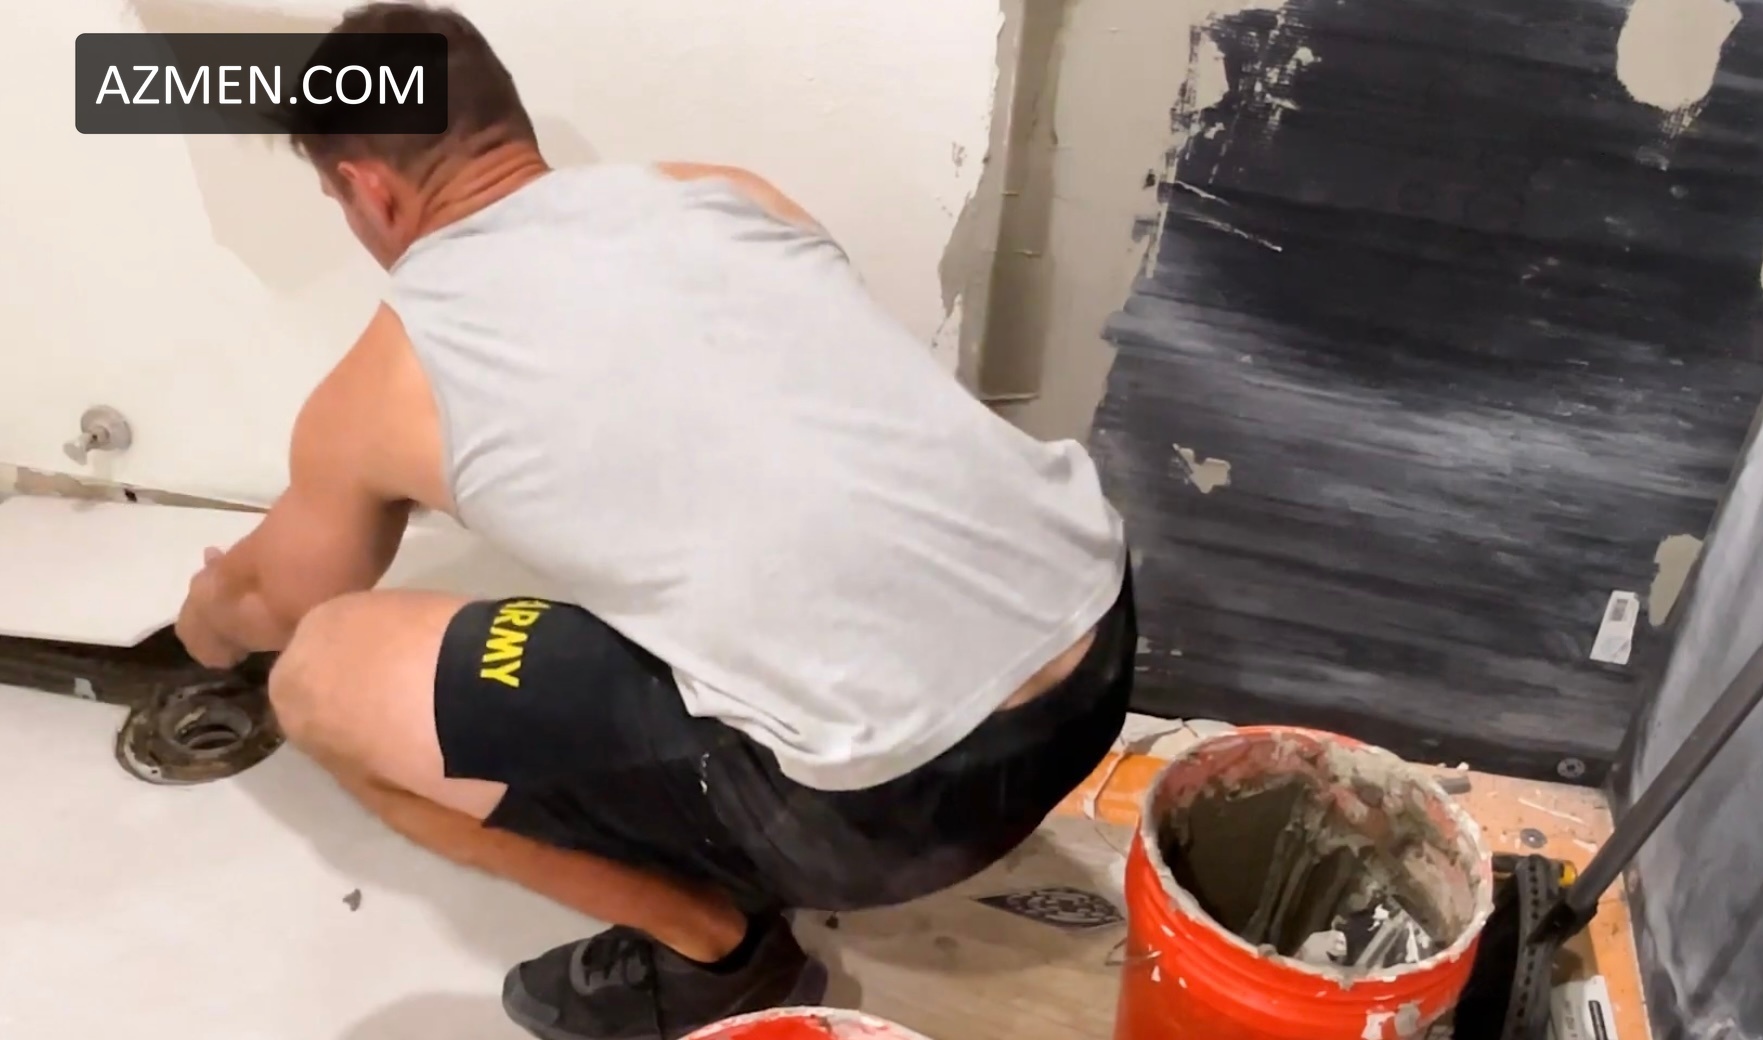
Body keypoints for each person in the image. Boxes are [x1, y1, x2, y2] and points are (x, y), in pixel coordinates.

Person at [171, 4, 1133, 1038]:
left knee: (320, 676)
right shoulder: (722, 193)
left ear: (369, 187)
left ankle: (715, 953)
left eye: (337, 201)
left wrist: (203, 617)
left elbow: (276, 602)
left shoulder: (393, 373)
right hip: (1100, 650)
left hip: (893, 805)